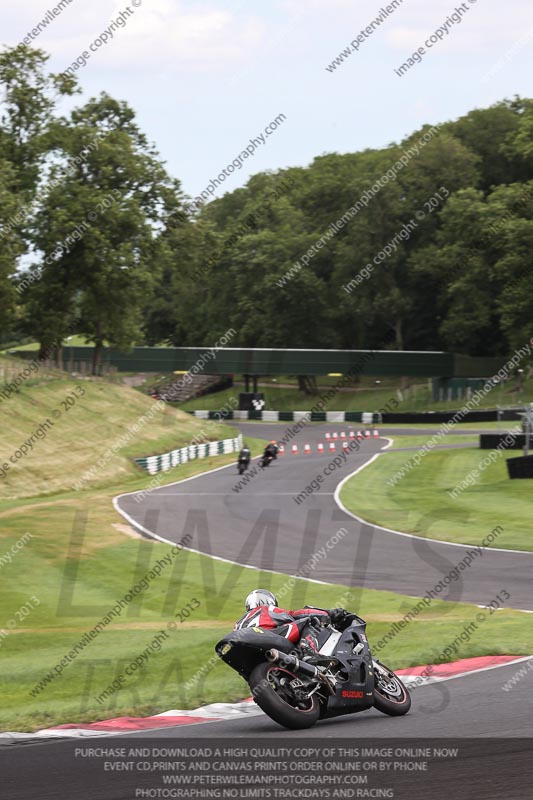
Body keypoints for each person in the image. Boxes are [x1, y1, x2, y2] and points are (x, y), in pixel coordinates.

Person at [234, 589, 355, 657]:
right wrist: (328, 614)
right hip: (267, 636)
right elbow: (295, 615)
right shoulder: (266, 609)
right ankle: (308, 651)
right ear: (268, 600)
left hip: (246, 651)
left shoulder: (238, 623)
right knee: (308, 621)